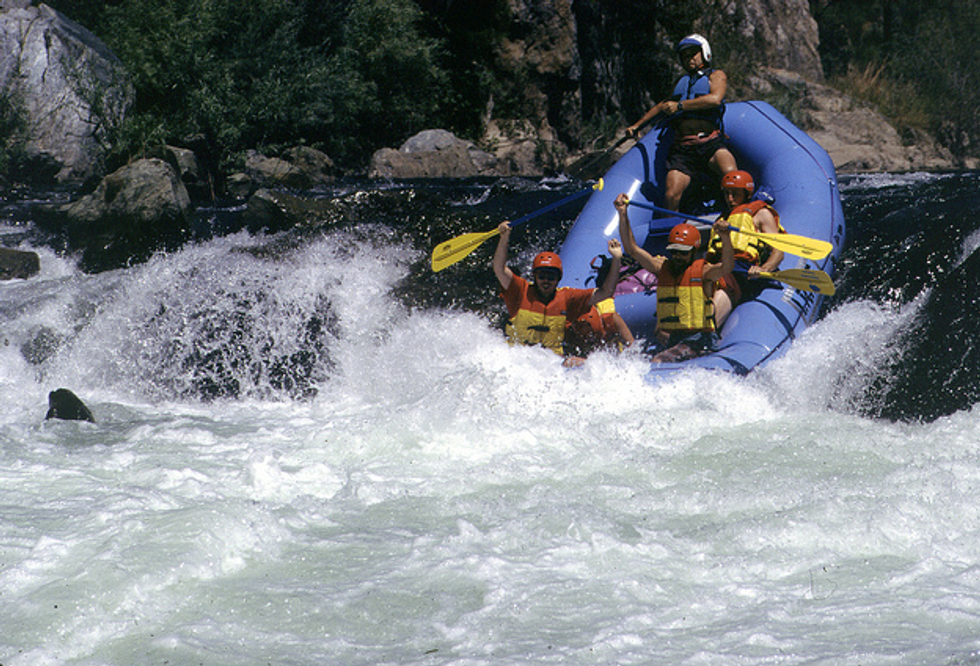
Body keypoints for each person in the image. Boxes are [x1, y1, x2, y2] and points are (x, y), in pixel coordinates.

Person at [614, 192, 733, 363]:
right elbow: (631, 249)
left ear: (693, 251)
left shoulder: (704, 272)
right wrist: (622, 213)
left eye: (683, 253)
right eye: (674, 251)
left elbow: (727, 267)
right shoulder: (661, 268)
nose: (678, 256)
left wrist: (725, 238)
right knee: (635, 362)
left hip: (699, 340)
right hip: (673, 338)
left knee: (657, 362)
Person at [625, 33, 737, 212]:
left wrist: (680, 106)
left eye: (693, 53)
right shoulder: (682, 83)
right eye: (685, 56)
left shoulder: (716, 76)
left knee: (732, 175)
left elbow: (715, 99)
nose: (689, 59)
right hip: (683, 150)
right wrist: (637, 126)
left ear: (704, 53)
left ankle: (741, 218)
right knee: (671, 195)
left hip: (710, 143)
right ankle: (671, 235)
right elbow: (662, 106)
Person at [493, 220, 624, 357]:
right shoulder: (521, 291)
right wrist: (504, 238)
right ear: (534, 276)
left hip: (551, 364)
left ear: (558, 278)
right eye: (542, 276)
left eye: (551, 277)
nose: (546, 281)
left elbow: (606, 292)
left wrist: (616, 260)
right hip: (516, 359)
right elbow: (499, 269)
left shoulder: (567, 297)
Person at [705, 170, 785, 328]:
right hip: (720, 267)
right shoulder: (722, 220)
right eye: (727, 193)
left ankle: (708, 329)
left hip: (743, 271)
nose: (730, 199)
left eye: (735, 194)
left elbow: (778, 252)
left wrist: (763, 269)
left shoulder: (761, 214)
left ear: (747, 193)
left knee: (725, 279)